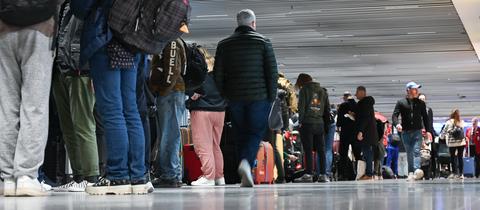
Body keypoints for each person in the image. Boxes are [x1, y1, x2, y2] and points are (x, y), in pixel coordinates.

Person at [71, 0, 148, 195]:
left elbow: (81, 7)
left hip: (105, 38)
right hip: (132, 42)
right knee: (130, 109)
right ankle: (138, 176)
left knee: (112, 110)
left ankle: (118, 175)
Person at [213, 9, 278, 187]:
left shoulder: (224, 45)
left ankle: (245, 173)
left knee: (240, 133)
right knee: (255, 132)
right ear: (254, 23)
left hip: (234, 97)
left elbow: (217, 75)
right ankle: (246, 164)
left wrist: (224, 95)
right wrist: (271, 97)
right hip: (260, 96)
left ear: (238, 23)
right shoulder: (264, 42)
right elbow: (272, 73)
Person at [0, 2, 57, 197]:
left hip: (4, 27)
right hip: (40, 26)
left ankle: (6, 178)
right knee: (35, 105)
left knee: (6, 107)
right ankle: (26, 176)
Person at [51, 1, 100, 192]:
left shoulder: (86, 4)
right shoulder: (62, 5)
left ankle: (91, 176)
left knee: (83, 124)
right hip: (60, 66)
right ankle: (79, 176)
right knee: (68, 127)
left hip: (80, 68)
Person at [150, 38, 187, 188]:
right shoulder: (171, 41)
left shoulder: (171, 41)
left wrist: (162, 89)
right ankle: (171, 173)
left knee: (170, 135)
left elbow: (173, 68)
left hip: (171, 93)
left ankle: (170, 175)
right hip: (172, 93)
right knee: (168, 134)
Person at [187, 49, 227, 187]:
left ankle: (208, 176)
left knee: (203, 146)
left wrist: (191, 93)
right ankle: (219, 177)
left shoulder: (199, 71)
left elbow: (194, 91)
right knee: (216, 145)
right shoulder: (219, 72)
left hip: (202, 110)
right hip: (220, 111)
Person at [294, 73, 331, 183]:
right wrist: (325, 124)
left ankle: (309, 174)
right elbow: (327, 109)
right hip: (319, 124)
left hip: (307, 123)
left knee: (308, 150)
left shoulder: (304, 90)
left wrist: (300, 121)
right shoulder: (323, 91)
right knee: (321, 150)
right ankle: (323, 175)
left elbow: (301, 107)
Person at [392, 81, 432, 181]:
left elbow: (425, 118)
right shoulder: (401, 102)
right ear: (408, 90)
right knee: (409, 152)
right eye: (414, 89)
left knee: (416, 151)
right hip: (405, 132)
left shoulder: (421, 103)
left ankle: (416, 172)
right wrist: (397, 124)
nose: (417, 91)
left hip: (417, 132)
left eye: (417, 89)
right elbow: (394, 116)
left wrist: (428, 131)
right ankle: (410, 172)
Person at [354, 86, 378, 181]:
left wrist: (360, 131)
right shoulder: (365, 103)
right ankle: (368, 172)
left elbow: (365, 118)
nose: (355, 94)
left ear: (362, 92)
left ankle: (369, 173)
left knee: (367, 152)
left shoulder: (365, 103)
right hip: (368, 132)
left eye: (357, 92)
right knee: (367, 152)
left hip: (367, 133)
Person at [336, 92, 361, 180]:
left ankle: (342, 174)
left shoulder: (342, 106)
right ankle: (359, 173)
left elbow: (339, 121)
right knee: (358, 154)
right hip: (355, 133)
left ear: (345, 97)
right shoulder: (358, 105)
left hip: (345, 133)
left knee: (343, 154)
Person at [440, 109, 466, 180]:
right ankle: (461, 174)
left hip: (452, 143)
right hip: (461, 142)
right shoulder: (461, 122)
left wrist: (441, 137)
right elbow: (462, 130)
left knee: (453, 158)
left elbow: (444, 131)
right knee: (460, 158)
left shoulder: (448, 122)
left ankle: (454, 173)